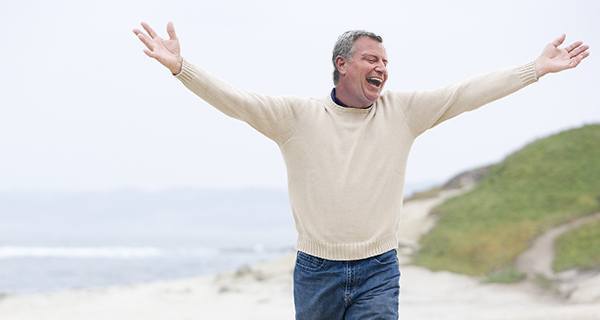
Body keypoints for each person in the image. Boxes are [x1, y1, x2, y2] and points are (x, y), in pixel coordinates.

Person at [133, 22, 589, 319]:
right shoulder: (296, 118)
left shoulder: (404, 112)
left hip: (378, 268)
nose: (382, 69)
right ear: (342, 64)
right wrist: (181, 68)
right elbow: (237, 102)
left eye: (386, 62)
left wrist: (536, 69)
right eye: (372, 59)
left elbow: (467, 92)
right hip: (316, 272)